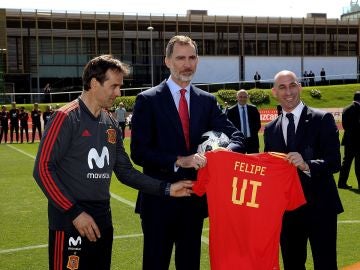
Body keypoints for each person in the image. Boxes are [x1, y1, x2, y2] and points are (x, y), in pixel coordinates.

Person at [33, 55, 193, 270]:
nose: (118, 93)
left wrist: (167, 188)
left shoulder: (110, 123)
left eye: (120, 86)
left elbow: (126, 172)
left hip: (102, 219)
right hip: (71, 222)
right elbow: (42, 169)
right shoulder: (66, 117)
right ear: (93, 83)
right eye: (114, 86)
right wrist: (75, 213)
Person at [130, 35, 245, 270]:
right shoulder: (147, 100)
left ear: (198, 60)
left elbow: (238, 139)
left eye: (192, 57)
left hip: (194, 201)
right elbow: (139, 152)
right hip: (158, 201)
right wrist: (178, 161)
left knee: (190, 264)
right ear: (167, 61)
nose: (187, 64)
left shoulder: (207, 101)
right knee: (155, 264)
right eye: (180, 58)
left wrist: (218, 155)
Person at [263, 70, 343, 270]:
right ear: (274, 92)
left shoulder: (322, 119)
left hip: (320, 207)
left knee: (325, 264)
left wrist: (307, 164)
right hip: (287, 212)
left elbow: (334, 162)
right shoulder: (271, 128)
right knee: (292, 264)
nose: (288, 92)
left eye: (292, 85)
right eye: (282, 87)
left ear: (300, 87)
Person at [226, 89, 261, 153]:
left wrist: (252, 134)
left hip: (252, 141)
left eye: (245, 97)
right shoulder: (231, 111)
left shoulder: (253, 109)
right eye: (240, 97)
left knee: (253, 161)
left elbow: (258, 124)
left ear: (247, 97)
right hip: (238, 141)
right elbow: (229, 126)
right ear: (237, 97)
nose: (243, 99)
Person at [338, 91, 360, 189]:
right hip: (357, 141)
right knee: (358, 163)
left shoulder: (346, 109)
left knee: (346, 162)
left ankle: (342, 183)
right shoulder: (358, 109)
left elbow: (344, 125)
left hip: (348, 140)